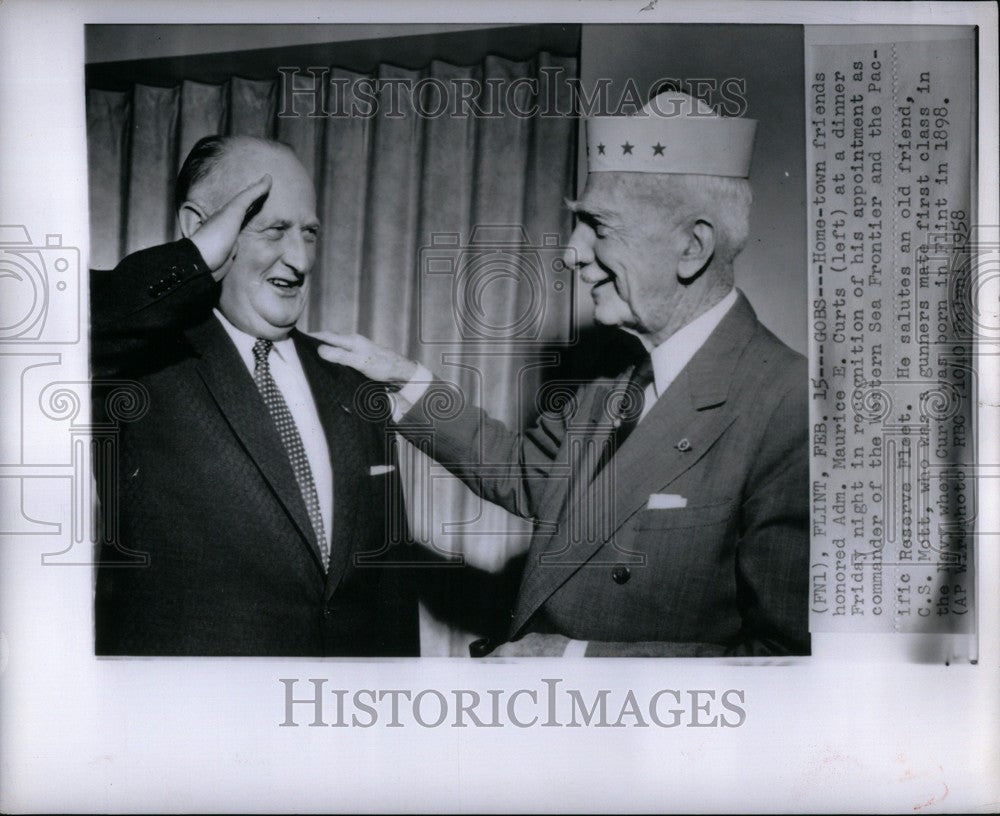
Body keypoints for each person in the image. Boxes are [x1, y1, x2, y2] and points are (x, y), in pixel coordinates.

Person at [317, 92, 809, 657]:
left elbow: (785, 667)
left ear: (691, 247)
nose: (571, 253)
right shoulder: (612, 379)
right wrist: (403, 379)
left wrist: (571, 662)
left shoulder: (791, 409)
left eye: (597, 225)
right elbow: (526, 474)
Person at [91, 135, 419, 656]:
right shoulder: (139, 367)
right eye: (275, 229)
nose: (300, 259)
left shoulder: (351, 381)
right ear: (201, 227)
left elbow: (391, 590)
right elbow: (39, 328)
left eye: (309, 232)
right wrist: (191, 260)